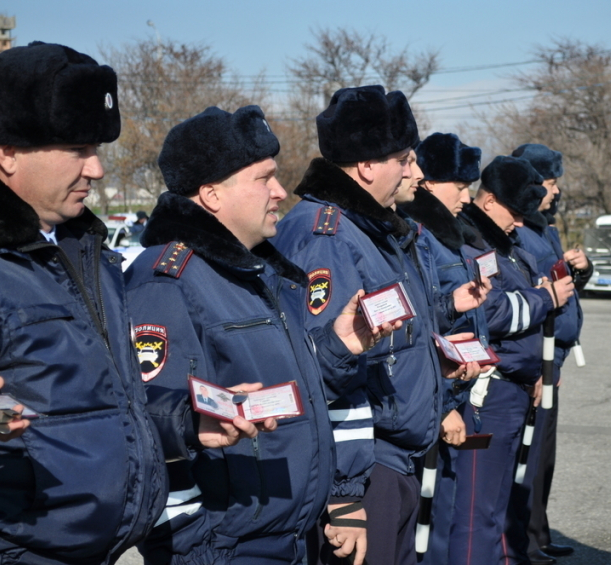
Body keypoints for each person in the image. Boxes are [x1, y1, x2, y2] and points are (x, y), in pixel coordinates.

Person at [125, 105, 393, 565]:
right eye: (263, 178)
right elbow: (159, 436)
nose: (280, 191)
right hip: (228, 550)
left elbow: (285, 400)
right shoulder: (167, 279)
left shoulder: (258, 273)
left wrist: (340, 346)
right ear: (211, 194)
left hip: (285, 538)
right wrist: (195, 554)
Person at [272, 85, 478, 565]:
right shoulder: (328, 235)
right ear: (366, 166)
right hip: (366, 469)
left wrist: (436, 369)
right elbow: (329, 372)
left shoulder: (376, 231)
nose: (417, 172)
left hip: (392, 464)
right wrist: (345, 491)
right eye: (405, 160)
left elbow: (391, 343)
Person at [0, 41, 167, 564]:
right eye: (77, 150)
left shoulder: (87, 254)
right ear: (7, 152)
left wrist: (188, 423)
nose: (96, 169)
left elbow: (103, 403)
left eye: (97, 149)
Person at [450, 156, 574, 565]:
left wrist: (539, 368)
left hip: (516, 388)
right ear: (488, 202)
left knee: (502, 506)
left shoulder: (506, 244)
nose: (520, 223)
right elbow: (495, 312)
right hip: (492, 393)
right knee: (478, 512)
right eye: (514, 212)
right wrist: (546, 298)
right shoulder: (473, 243)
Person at [395, 132, 490, 565]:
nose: (467, 198)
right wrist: (444, 404)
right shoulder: (422, 237)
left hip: (454, 391)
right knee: (427, 529)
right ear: (431, 185)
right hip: (432, 405)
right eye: (460, 185)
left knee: (445, 518)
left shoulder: (444, 235)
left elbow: (446, 315)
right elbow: (418, 335)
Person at [507, 143, 590, 564]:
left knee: (545, 455)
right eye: (551, 183)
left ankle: (538, 532)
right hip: (539, 358)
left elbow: (561, 288)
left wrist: (581, 271)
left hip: (554, 357)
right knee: (529, 456)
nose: (555, 192)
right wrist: (539, 366)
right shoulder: (519, 230)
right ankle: (524, 541)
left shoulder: (546, 228)